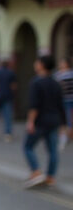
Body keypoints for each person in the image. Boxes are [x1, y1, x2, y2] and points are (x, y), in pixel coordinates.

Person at [23, 56, 67, 188]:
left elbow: (34, 105)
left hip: (40, 120)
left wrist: (30, 121)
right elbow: (61, 105)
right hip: (54, 120)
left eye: (37, 62)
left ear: (41, 65)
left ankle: (36, 171)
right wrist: (64, 124)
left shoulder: (36, 82)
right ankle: (50, 177)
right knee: (52, 150)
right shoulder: (56, 83)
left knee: (28, 146)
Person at [54, 57, 73, 147]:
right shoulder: (58, 74)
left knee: (68, 119)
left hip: (68, 99)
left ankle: (67, 136)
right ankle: (65, 136)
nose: (61, 64)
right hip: (62, 99)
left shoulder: (67, 74)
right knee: (64, 119)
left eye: (62, 63)